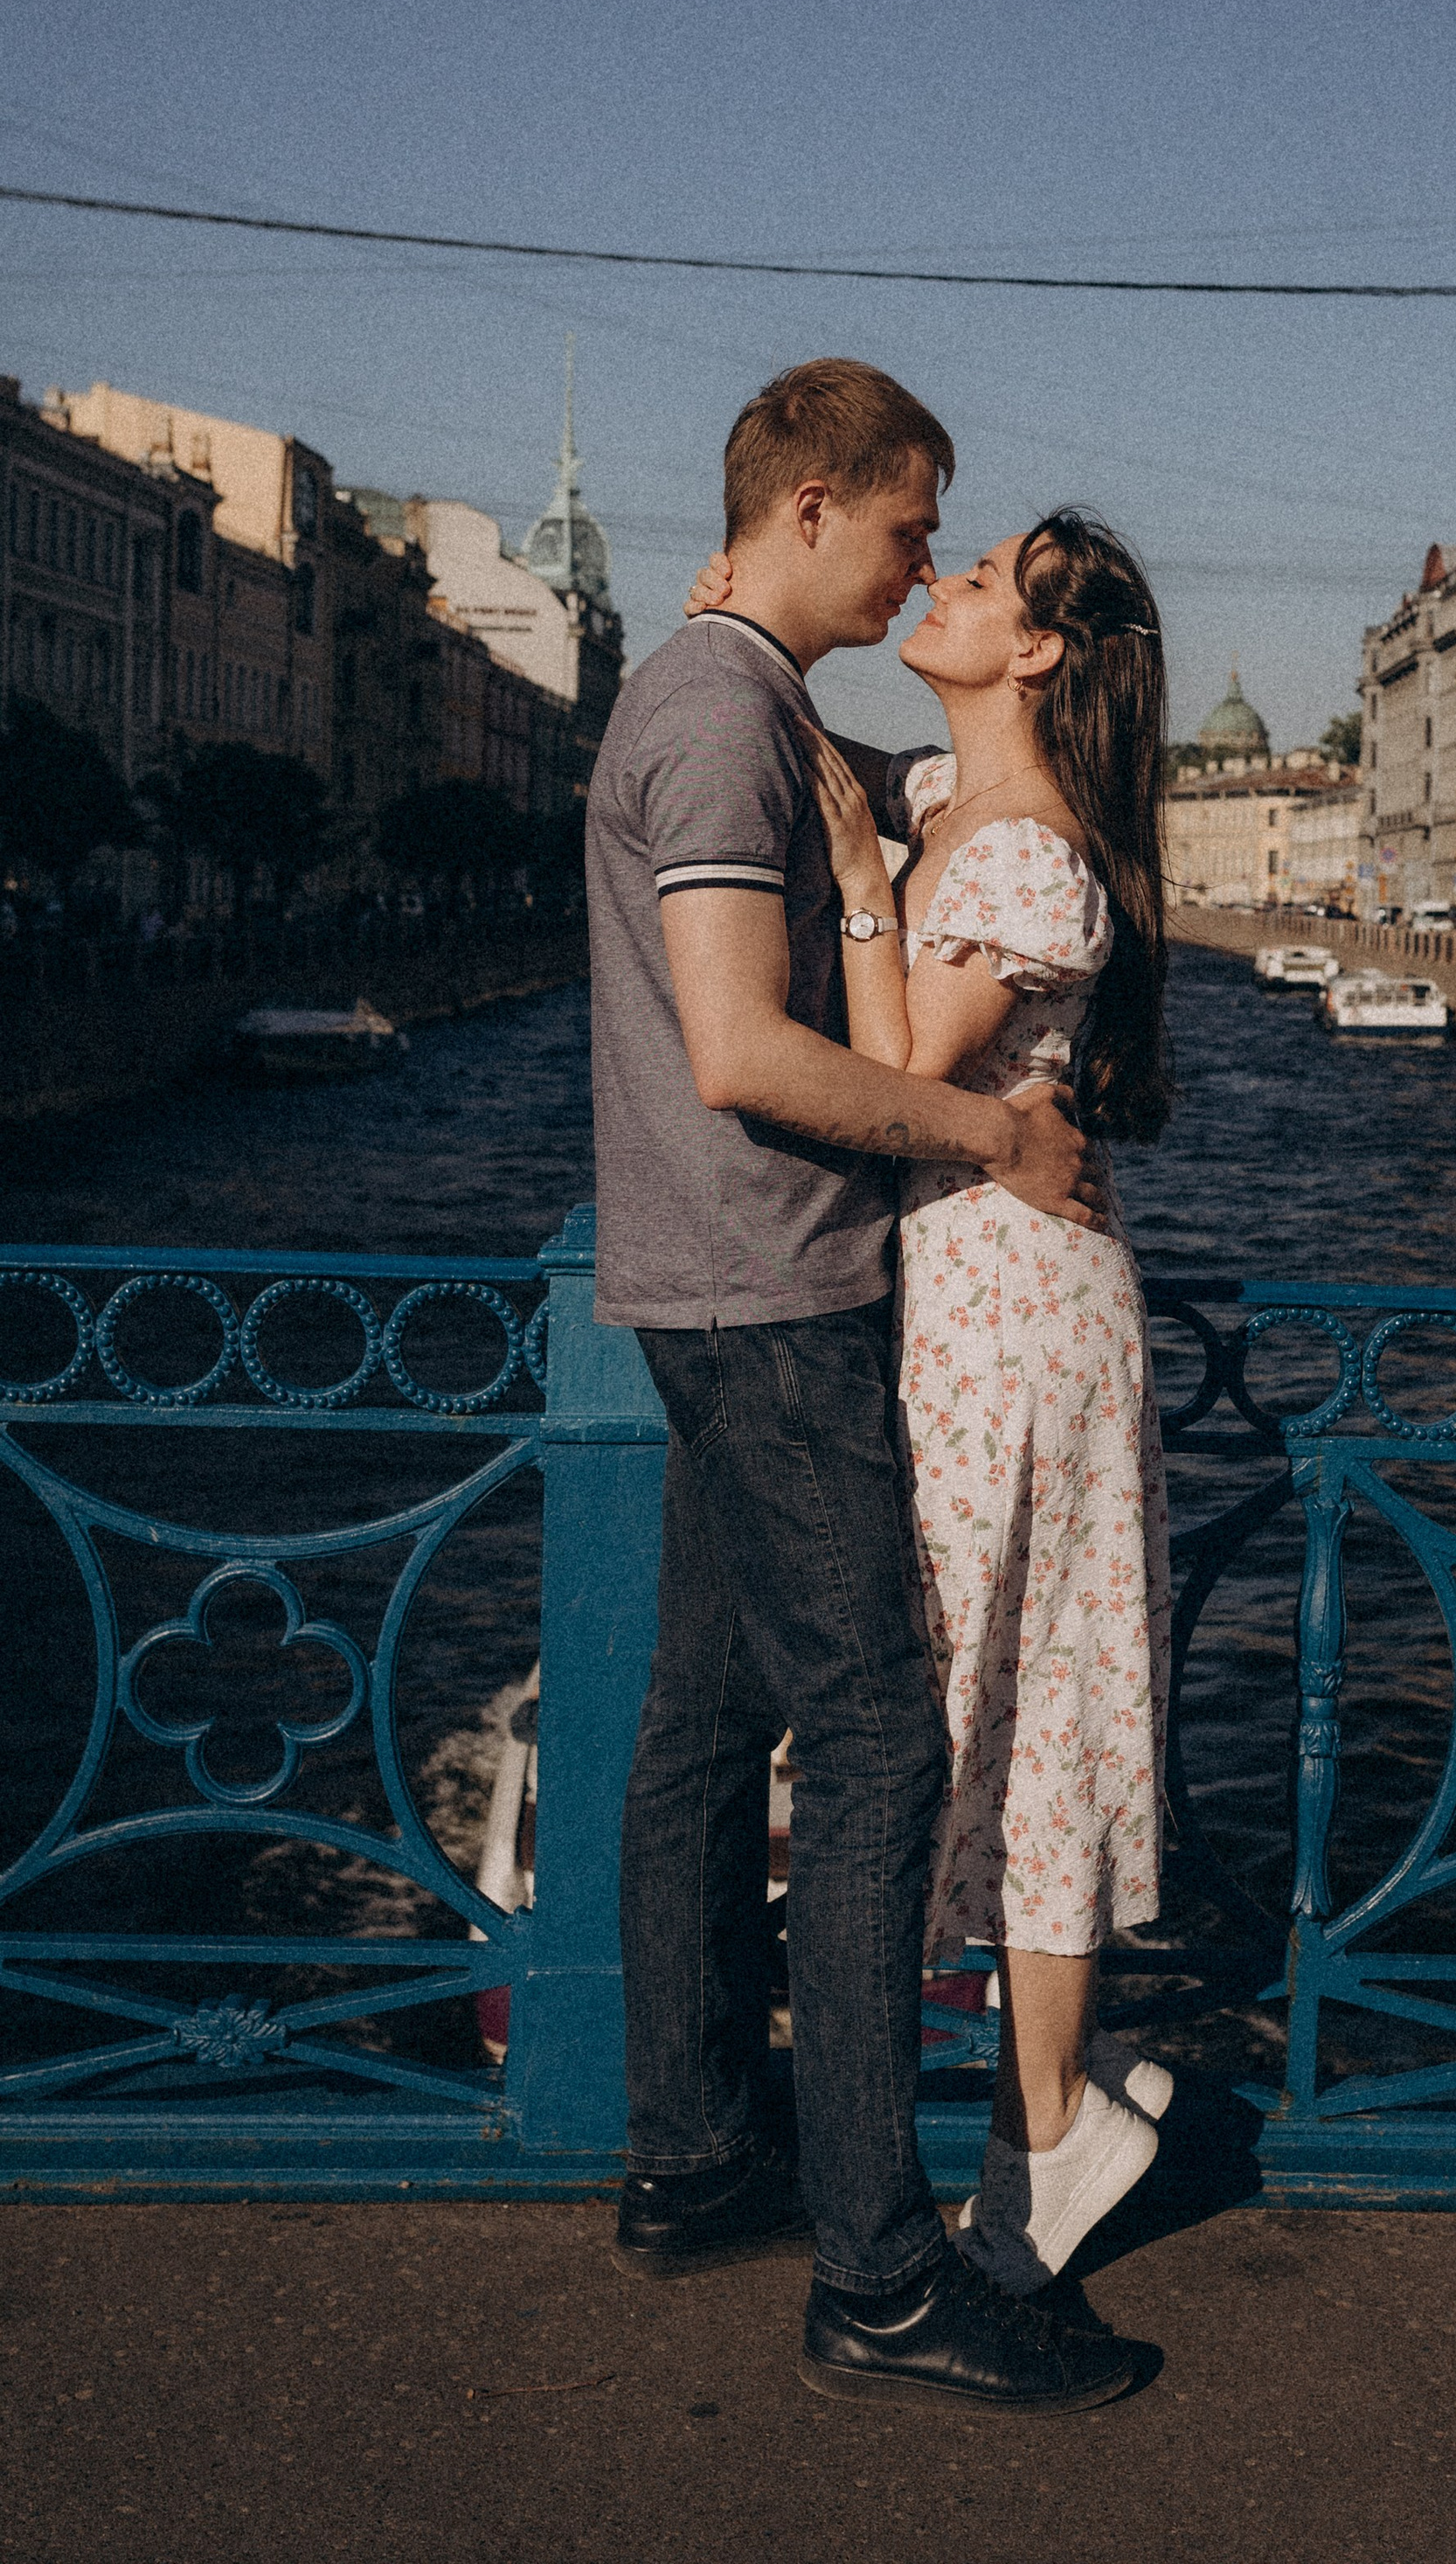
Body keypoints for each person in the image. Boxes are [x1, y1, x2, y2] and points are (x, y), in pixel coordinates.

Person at [586, 358, 1137, 2417]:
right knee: (881, 1749)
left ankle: (694, 2154)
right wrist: (997, 1140)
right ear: (815, 505)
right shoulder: (725, 719)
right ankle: (886, 2277)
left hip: (715, 1281)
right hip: (773, 1287)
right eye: (915, 525)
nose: (924, 558)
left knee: (704, 1729)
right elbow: (741, 1050)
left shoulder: (732, 708)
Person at [688, 509, 1176, 2302]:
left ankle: (1050, 2125)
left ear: (1038, 652)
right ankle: (1048, 2096)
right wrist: (736, 601)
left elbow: (896, 1066)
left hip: (1010, 1314)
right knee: (965, 1692)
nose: (939, 584)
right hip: (961, 1304)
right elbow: (817, 762)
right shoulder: (944, 800)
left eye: (978, 582)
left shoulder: (1028, 857)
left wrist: (868, 875)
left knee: (1010, 1706)